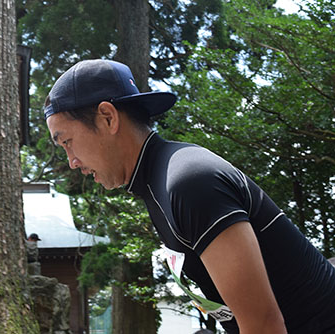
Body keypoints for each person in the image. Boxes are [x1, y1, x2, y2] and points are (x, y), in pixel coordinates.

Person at [43, 59, 335, 334]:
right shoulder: (159, 185)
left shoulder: (189, 181)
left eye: (67, 141)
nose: (72, 161)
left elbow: (264, 325)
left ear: (108, 118)